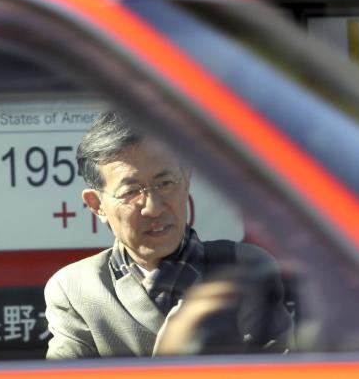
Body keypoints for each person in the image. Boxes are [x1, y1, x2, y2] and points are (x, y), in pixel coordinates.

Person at [44, 112, 293, 358]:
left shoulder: (243, 268)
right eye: (130, 191)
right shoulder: (77, 288)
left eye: (164, 183)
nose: (153, 207)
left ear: (185, 181)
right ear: (96, 205)